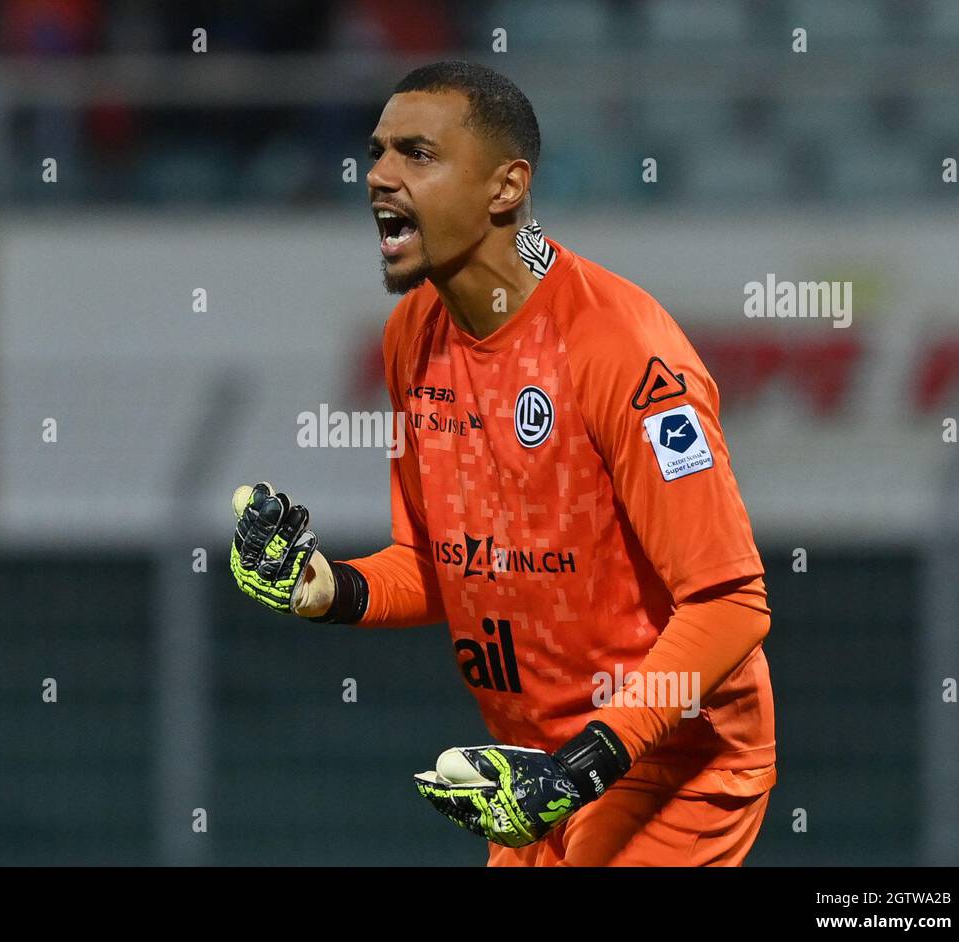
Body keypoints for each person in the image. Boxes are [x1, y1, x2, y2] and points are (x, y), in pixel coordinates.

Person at [230, 60, 775, 866]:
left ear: (505, 188)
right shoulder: (412, 334)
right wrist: (326, 588)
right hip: (536, 776)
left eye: (416, 154)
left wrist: (586, 763)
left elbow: (730, 603)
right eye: (378, 151)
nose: (378, 175)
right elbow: (437, 563)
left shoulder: (622, 349)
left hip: (670, 767)